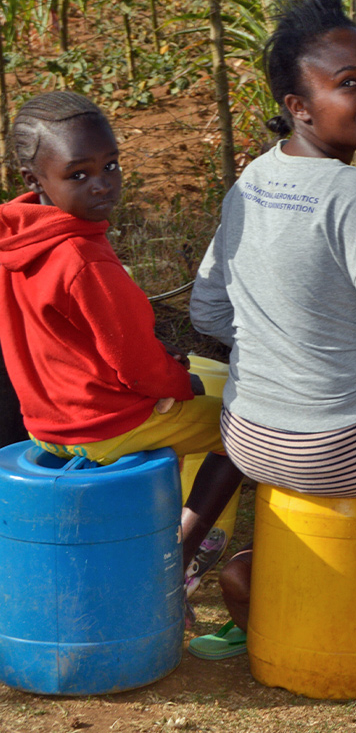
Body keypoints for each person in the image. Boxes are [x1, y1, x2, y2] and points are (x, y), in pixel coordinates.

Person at [188, 0, 356, 706]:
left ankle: (251, 580)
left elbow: (209, 305)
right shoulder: (351, 198)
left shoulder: (252, 180)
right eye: (349, 85)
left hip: (249, 438)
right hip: (344, 447)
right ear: (299, 105)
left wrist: (288, 347)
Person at [0, 92, 243, 589]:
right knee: (244, 428)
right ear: (35, 179)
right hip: (107, 423)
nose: (102, 184)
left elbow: (72, 340)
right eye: (79, 174)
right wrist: (180, 383)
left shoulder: (20, 238)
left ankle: (170, 508)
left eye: (110, 165)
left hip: (47, 416)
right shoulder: (83, 258)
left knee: (214, 373)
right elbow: (136, 366)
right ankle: (185, 555)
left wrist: (169, 367)